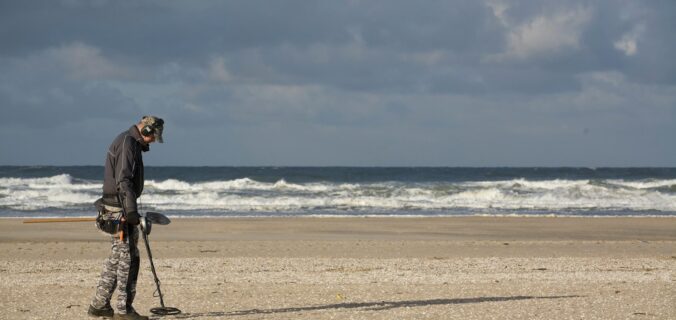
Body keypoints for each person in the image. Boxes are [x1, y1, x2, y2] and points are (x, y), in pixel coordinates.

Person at [88, 116, 164, 320]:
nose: (154, 141)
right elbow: (124, 180)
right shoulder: (128, 143)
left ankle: (99, 305)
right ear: (146, 130)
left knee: (117, 258)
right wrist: (130, 212)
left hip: (116, 207)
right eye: (153, 137)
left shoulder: (128, 141)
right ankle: (124, 310)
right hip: (119, 210)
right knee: (129, 259)